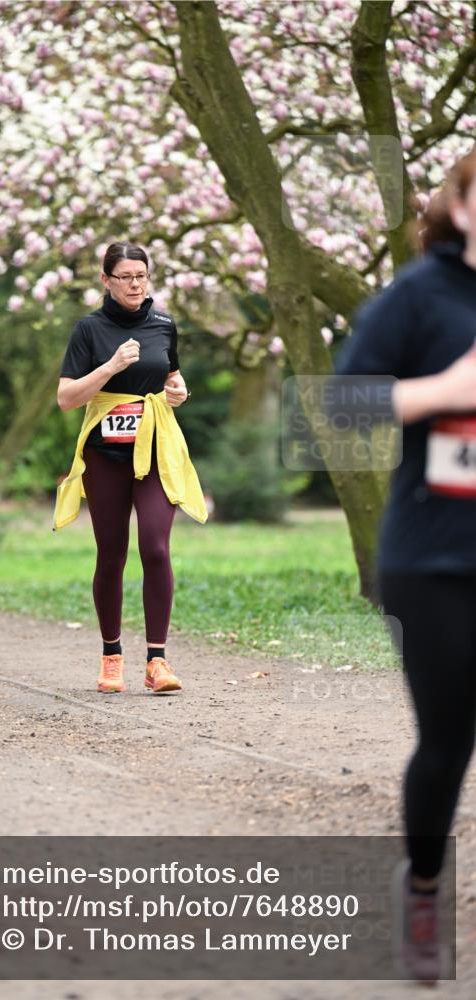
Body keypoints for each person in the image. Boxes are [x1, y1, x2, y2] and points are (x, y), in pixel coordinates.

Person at [332, 147, 476, 983]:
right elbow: (341, 402)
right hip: (434, 560)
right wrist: (445, 390)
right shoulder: (420, 296)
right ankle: (422, 888)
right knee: (448, 737)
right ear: (458, 208)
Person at [54, 242, 208, 695]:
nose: (136, 284)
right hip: (106, 455)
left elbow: (169, 376)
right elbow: (67, 398)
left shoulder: (163, 324)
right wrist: (110, 366)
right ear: (106, 281)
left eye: (142, 275)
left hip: (156, 449)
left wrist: (178, 391)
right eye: (126, 277)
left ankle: (157, 661)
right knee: (112, 553)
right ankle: (111, 657)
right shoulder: (89, 330)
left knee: (156, 549)